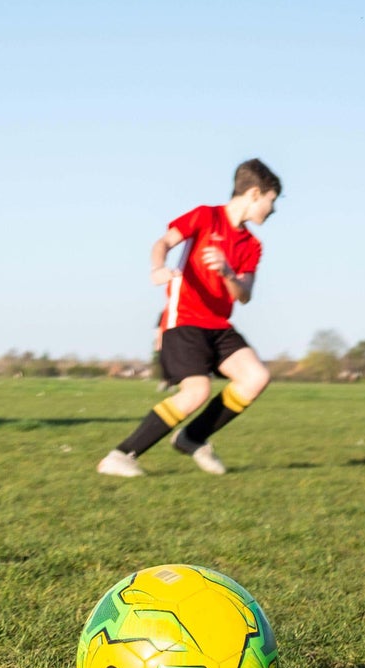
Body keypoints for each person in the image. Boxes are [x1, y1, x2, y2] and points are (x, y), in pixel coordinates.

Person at [97, 159, 281, 477]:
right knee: (196, 391)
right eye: (271, 201)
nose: (273, 209)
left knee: (256, 377)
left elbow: (245, 294)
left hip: (219, 326)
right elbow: (163, 242)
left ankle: (191, 437)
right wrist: (157, 269)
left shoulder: (252, 245)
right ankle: (120, 456)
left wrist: (226, 273)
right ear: (254, 193)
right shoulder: (205, 217)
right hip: (184, 321)